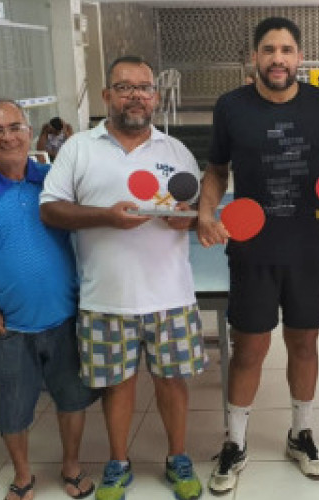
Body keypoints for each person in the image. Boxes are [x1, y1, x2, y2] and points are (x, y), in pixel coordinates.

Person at [198, 16, 319, 495]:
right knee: (249, 350)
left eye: (286, 50)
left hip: (309, 250)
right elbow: (216, 169)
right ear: (254, 57)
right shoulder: (231, 106)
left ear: (299, 57)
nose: (277, 59)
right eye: (268, 50)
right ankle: (235, 442)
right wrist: (206, 212)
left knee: (304, 344)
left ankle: (301, 434)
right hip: (252, 250)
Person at [40, 55, 207, 500]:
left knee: (173, 382)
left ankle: (177, 458)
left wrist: (185, 218)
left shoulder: (177, 151)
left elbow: (195, 213)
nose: (136, 96)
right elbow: (50, 209)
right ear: (107, 95)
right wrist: (106, 217)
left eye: (144, 88)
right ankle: (118, 462)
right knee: (118, 385)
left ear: (156, 97)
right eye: (124, 87)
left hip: (171, 295)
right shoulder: (79, 148)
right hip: (106, 297)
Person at [0, 98, 99, 500]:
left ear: (29, 132)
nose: (7, 137)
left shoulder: (53, 182)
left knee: (72, 399)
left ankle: (71, 466)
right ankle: (23, 476)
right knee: (11, 409)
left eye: (14, 127)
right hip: (7, 325)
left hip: (65, 316)